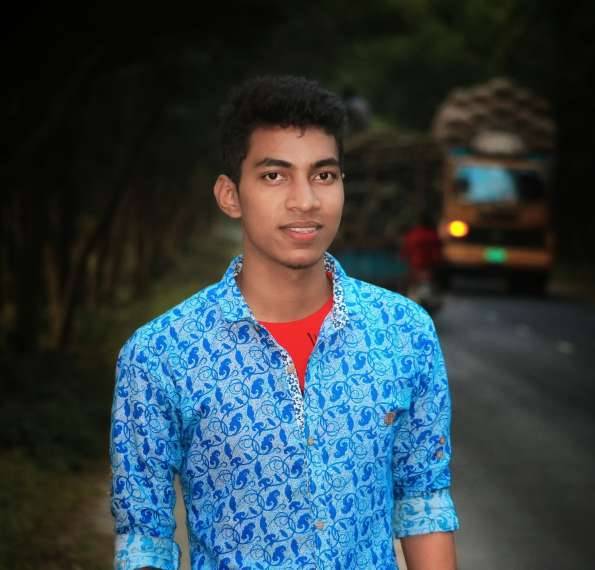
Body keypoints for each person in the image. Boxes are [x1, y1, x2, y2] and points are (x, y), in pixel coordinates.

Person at [110, 75, 459, 570]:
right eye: (275, 176)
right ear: (230, 195)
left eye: (324, 175)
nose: (305, 201)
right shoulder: (161, 354)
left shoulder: (404, 332)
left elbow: (424, 504)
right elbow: (144, 540)